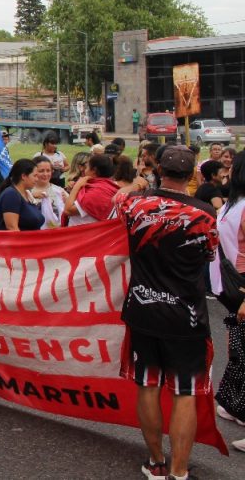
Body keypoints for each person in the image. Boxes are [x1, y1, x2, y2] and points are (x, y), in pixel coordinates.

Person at [115, 145, 219, 480]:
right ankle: (179, 469)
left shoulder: (133, 204)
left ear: (159, 169)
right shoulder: (204, 213)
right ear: (191, 177)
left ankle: (156, 461)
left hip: (143, 308)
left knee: (147, 385)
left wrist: (140, 185)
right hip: (186, 314)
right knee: (185, 391)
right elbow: (210, 256)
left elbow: (118, 198)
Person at [214, 151, 245, 453]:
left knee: (240, 349)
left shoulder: (230, 206)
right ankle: (236, 405)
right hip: (238, 287)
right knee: (240, 350)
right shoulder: (236, 206)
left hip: (231, 287)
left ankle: (235, 404)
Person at [64, 154, 119, 226]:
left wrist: (77, 186)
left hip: (83, 234)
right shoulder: (106, 186)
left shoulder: (97, 192)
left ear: (94, 170)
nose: (83, 170)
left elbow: (68, 210)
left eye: (86, 167)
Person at [0, 159, 45, 231]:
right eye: (35, 176)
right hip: (18, 241)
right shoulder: (11, 195)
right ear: (23, 176)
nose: (37, 179)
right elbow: (12, 228)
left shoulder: (26, 194)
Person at [30, 156, 67, 229]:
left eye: (48, 170)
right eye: (41, 171)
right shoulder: (27, 191)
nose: (45, 174)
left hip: (56, 234)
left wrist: (68, 201)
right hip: (33, 235)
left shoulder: (60, 191)